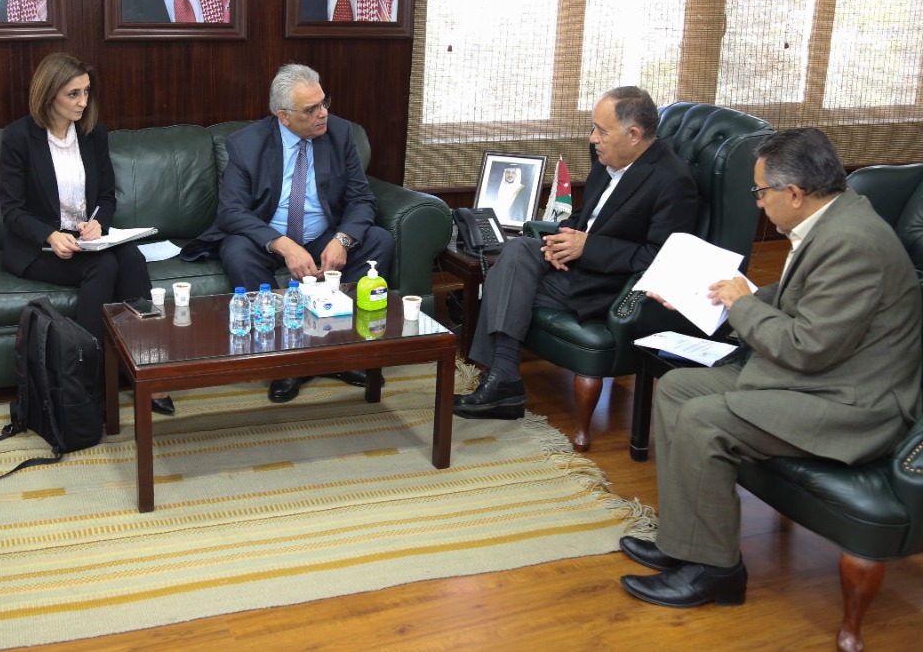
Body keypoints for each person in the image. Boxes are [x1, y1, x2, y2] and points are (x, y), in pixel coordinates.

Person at [619, 128, 923, 608]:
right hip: (819, 379)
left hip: (849, 405)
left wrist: (742, 304)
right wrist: (709, 297)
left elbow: (806, 348)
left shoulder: (852, 243)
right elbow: (796, 300)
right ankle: (685, 543)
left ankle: (717, 572)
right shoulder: (832, 219)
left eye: (761, 192)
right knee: (678, 388)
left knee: (702, 419)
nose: (758, 203)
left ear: (795, 194)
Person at [455, 86, 698, 419]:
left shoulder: (672, 181)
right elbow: (584, 217)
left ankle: (502, 377)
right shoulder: (607, 160)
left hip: (609, 282)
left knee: (506, 279)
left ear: (633, 135)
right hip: (575, 264)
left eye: (601, 130)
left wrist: (587, 248)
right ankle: (503, 377)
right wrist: (561, 241)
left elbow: (660, 257)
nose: (593, 138)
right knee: (517, 250)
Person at [181, 63, 395, 402]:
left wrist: (342, 240)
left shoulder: (341, 133)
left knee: (379, 240)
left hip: (322, 234)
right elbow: (231, 211)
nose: (323, 113)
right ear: (284, 116)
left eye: (324, 102)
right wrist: (282, 244)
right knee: (236, 250)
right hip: (269, 237)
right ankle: (285, 362)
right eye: (311, 109)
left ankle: (341, 351)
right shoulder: (247, 144)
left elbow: (361, 199)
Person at [0, 52, 174, 415]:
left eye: (86, 92)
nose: (83, 102)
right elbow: (12, 210)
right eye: (73, 94)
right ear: (49, 95)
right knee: (103, 266)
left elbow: (106, 196)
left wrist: (98, 223)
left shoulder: (93, 134)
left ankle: (150, 370)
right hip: (40, 247)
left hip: (89, 238)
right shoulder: (19, 137)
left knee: (131, 258)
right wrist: (50, 235)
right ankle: (87, 384)